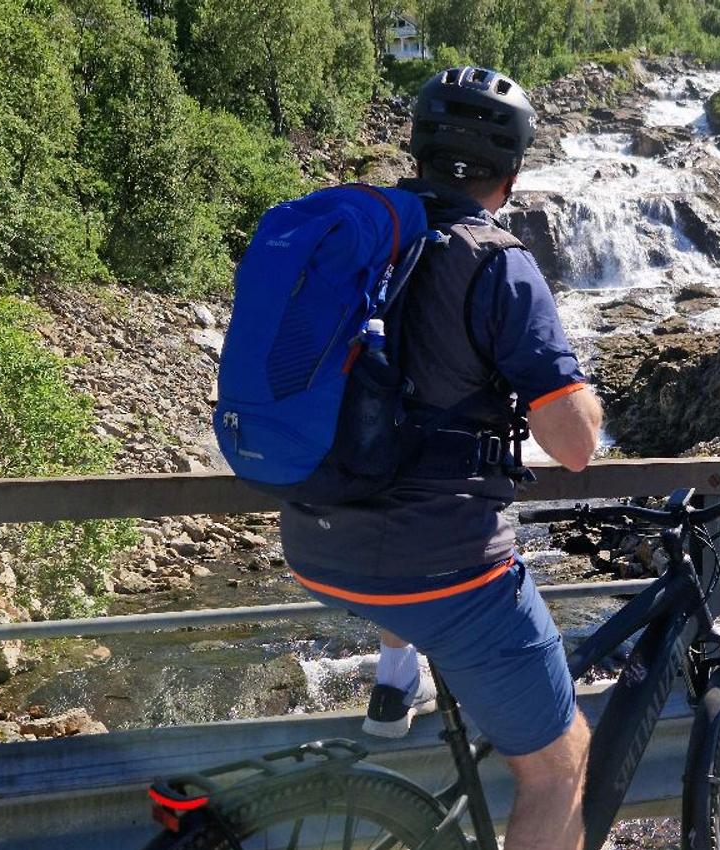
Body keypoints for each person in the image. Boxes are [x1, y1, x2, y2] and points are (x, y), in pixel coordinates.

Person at [279, 66, 602, 850]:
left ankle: (398, 675)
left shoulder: (354, 241)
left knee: (413, 531)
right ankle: (417, 665)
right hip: (440, 570)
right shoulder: (497, 262)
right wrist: (579, 395)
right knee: (562, 763)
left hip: (315, 545)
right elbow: (575, 445)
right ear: (512, 172)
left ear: (417, 150)